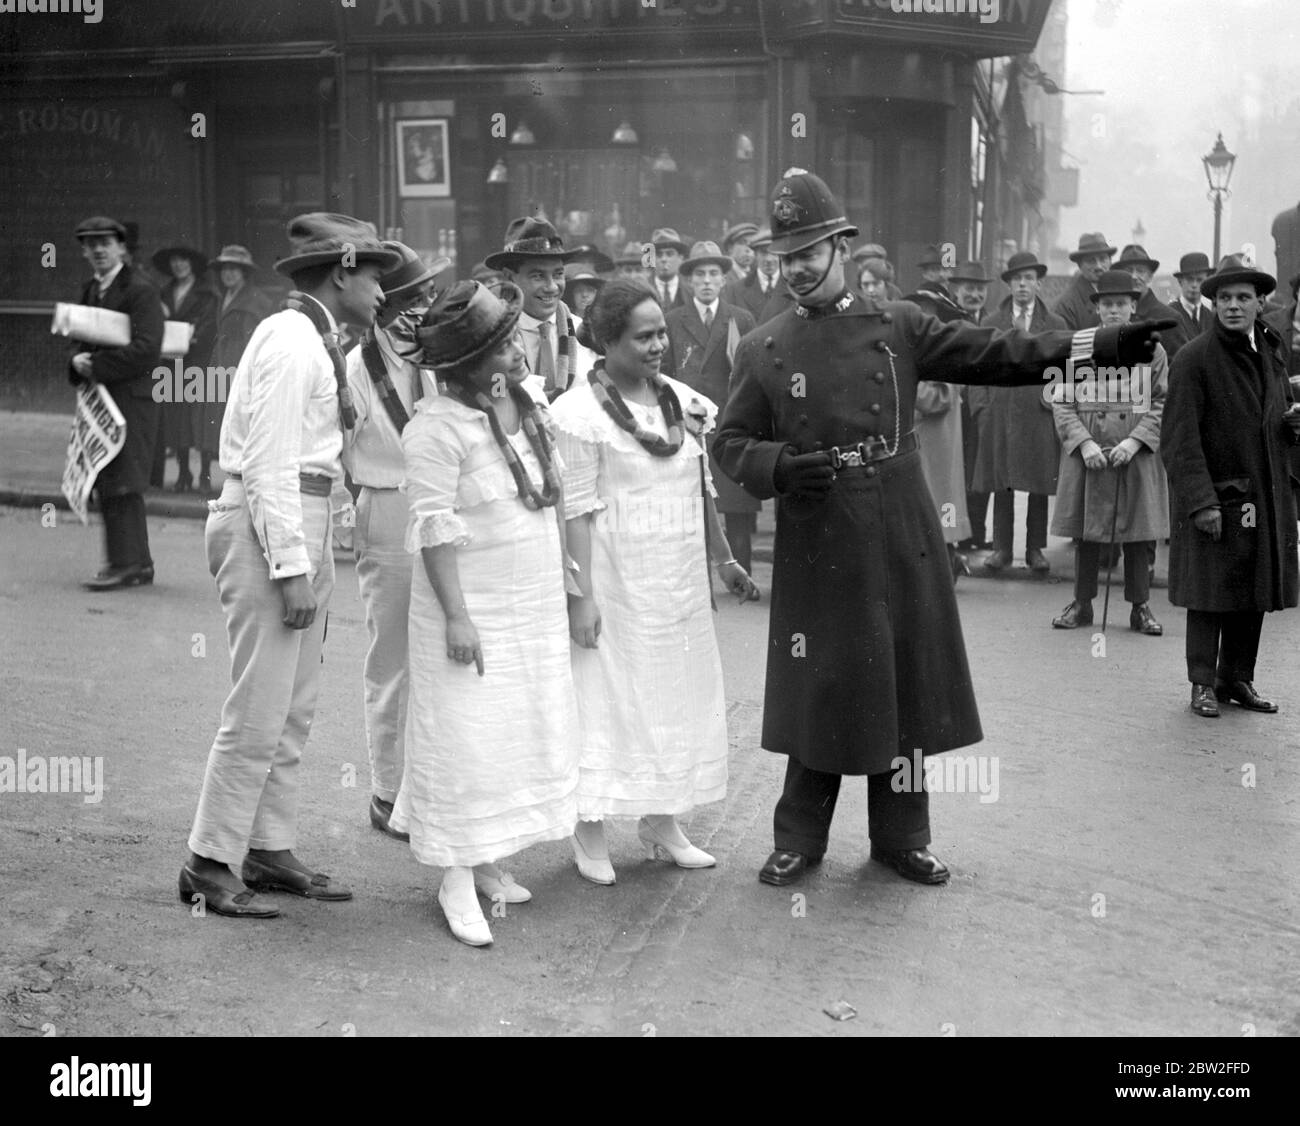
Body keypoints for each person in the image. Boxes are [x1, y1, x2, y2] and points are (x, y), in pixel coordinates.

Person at [712, 170, 1172, 890]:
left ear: (840, 245)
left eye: (809, 250)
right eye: (786, 254)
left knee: (901, 684)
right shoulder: (765, 347)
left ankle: (903, 837)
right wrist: (775, 466)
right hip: (819, 533)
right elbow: (728, 441)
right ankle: (799, 836)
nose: (796, 266)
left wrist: (1102, 343)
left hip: (899, 525)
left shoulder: (899, 325)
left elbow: (1001, 355)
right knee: (823, 681)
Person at [179, 213, 399, 919]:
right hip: (266, 523)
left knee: (293, 708)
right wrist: (290, 568)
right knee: (259, 705)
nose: (381, 292)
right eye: (375, 276)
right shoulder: (288, 340)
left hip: (298, 519)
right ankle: (208, 861)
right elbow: (271, 463)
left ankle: (267, 847)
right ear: (340, 271)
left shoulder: (315, 338)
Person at [550, 278, 757, 886]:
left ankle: (662, 821)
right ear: (607, 342)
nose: (659, 345)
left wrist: (723, 560)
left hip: (677, 583)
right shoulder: (580, 415)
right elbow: (577, 511)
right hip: (614, 581)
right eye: (643, 337)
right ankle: (589, 830)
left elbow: (702, 490)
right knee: (607, 699)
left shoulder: (684, 404)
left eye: (661, 332)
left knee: (674, 696)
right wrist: (581, 599)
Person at [392, 280, 579, 946]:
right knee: (465, 737)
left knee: (511, 731)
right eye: (503, 346)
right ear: (470, 365)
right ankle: (454, 877)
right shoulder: (435, 428)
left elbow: (550, 491)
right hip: (471, 604)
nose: (518, 350)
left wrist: (564, 566)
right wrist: (458, 618)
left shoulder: (525, 401)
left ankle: (491, 859)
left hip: (529, 601)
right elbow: (435, 527)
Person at [340, 241, 450, 840]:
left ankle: (426, 785)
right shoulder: (355, 368)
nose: (424, 309)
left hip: (439, 509)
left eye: (429, 297)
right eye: (414, 300)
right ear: (386, 308)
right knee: (393, 660)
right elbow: (335, 450)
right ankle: (386, 791)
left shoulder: (437, 358)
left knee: (439, 650)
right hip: (386, 505)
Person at [1162, 255, 1300, 718]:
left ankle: (1236, 678)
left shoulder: (1270, 348)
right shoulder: (1193, 358)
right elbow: (1179, 441)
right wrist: (1201, 502)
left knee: (1253, 590)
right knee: (1209, 594)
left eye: (1244, 298)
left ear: (1262, 303)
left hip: (1264, 493)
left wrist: (1291, 422)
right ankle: (1202, 682)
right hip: (1218, 497)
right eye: (1224, 298)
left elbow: (1272, 416)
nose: (1234, 306)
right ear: (1214, 303)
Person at [1048, 271, 1169, 635]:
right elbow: (1062, 401)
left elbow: (1163, 401)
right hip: (1089, 453)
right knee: (1087, 531)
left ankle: (1140, 607)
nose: (1114, 310)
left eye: (1121, 304)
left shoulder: (1154, 350)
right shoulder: (1081, 346)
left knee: (1136, 532)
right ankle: (1082, 603)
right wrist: (1083, 443)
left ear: (1133, 306)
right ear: (1097, 308)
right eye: (1107, 304)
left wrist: (1134, 442)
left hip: (1135, 452)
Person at [68, 215, 164, 590]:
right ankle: (135, 563)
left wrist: (96, 366)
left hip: (132, 401)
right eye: (90, 245)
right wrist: (75, 361)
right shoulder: (91, 289)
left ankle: (126, 564)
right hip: (102, 401)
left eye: (104, 243)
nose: (97, 251)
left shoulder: (140, 289)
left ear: (122, 247)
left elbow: (147, 349)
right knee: (109, 479)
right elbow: (79, 338)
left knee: (124, 481)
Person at [661, 240, 760, 582]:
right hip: (689, 425)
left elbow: (752, 375)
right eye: (699, 274)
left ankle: (740, 575)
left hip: (730, 424)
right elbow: (665, 374)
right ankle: (694, 579)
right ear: (688, 281)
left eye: (713, 274)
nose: (706, 281)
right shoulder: (673, 321)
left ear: (723, 280)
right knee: (692, 503)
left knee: (736, 508)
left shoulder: (741, 319)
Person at [975, 251, 1067, 574]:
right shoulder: (992, 323)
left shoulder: (1054, 324)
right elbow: (978, 369)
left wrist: (1052, 400)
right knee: (1004, 480)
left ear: (1039, 283)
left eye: (1029, 278)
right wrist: (982, 409)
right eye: (1017, 279)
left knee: (1038, 483)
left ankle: (1034, 549)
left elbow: (1063, 368)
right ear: (1009, 284)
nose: (1023, 285)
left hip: (1038, 412)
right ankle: (1001, 548)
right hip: (1000, 412)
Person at [484, 217, 595, 399]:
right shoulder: (492, 339)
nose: (552, 286)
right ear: (510, 277)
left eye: (558, 275)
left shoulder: (583, 334)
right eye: (538, 276)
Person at [204, 246, 272, 494]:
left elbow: (252, 340)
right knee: (220, 419)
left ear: (244, 273)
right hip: (221, 362)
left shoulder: (255, 300)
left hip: (239, 364)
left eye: (234, 269)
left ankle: (246, 478)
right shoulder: (225, 297)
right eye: (225, 269)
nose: (228, 274)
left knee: (241, 419)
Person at [149, 245, 216, 493]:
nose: (179, 266)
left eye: (184, 261)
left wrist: (191, 336)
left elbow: (209, 325)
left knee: (198, 416)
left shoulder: (207, 293)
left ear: (193, 265)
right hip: (170, 362)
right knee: (175, 418)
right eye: (175, 262)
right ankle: (183, 471)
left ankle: (205, 472)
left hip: (197, 362)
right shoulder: (164, 292)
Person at [1114, 244, 1190, 359]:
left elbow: (1180, 365)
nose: (1134, 276)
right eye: (1129, 271)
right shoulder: (1112, 315)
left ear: (1150, 277)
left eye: (1140, 271)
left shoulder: (1168, 317)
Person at [1054, 232, 1116, 331]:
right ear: (1080, 265)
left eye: (1103, 259)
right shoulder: (1067, 305)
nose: (1098, 266)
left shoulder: (1119, 293)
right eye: (1091, 261)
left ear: (1110, 261)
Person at [1168, 252, 1215, 340]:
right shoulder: (1169, 314)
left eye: (1199, 280)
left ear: (1206, 282)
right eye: (1190, 279)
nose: (1194, 285)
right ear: (1180, 281)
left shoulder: (1211, 318)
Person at [648, 228, 691, 309]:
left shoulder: (692, 293)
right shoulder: (642, 291)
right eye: (659, 255)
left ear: (680, 258)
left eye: (669, 254)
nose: (664, 259)